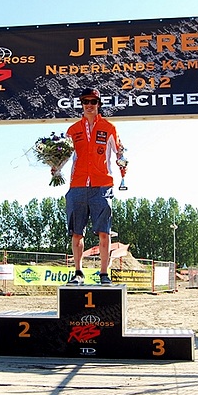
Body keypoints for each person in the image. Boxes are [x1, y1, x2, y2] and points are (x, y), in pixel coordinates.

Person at [64, 88, 126, 286]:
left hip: (102, 185)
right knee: (76, 233)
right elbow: (63, 154)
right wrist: (55, 167)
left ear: (99, 104)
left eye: (93, 101)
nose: (89, 105)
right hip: (78, 185)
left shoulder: (109, 128)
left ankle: (104, 273)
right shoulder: (72, 130)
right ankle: (78, 273)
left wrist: (122, 160)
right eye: (85, 102)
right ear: (81, 105)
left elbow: (119, 153)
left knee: (104, 232)